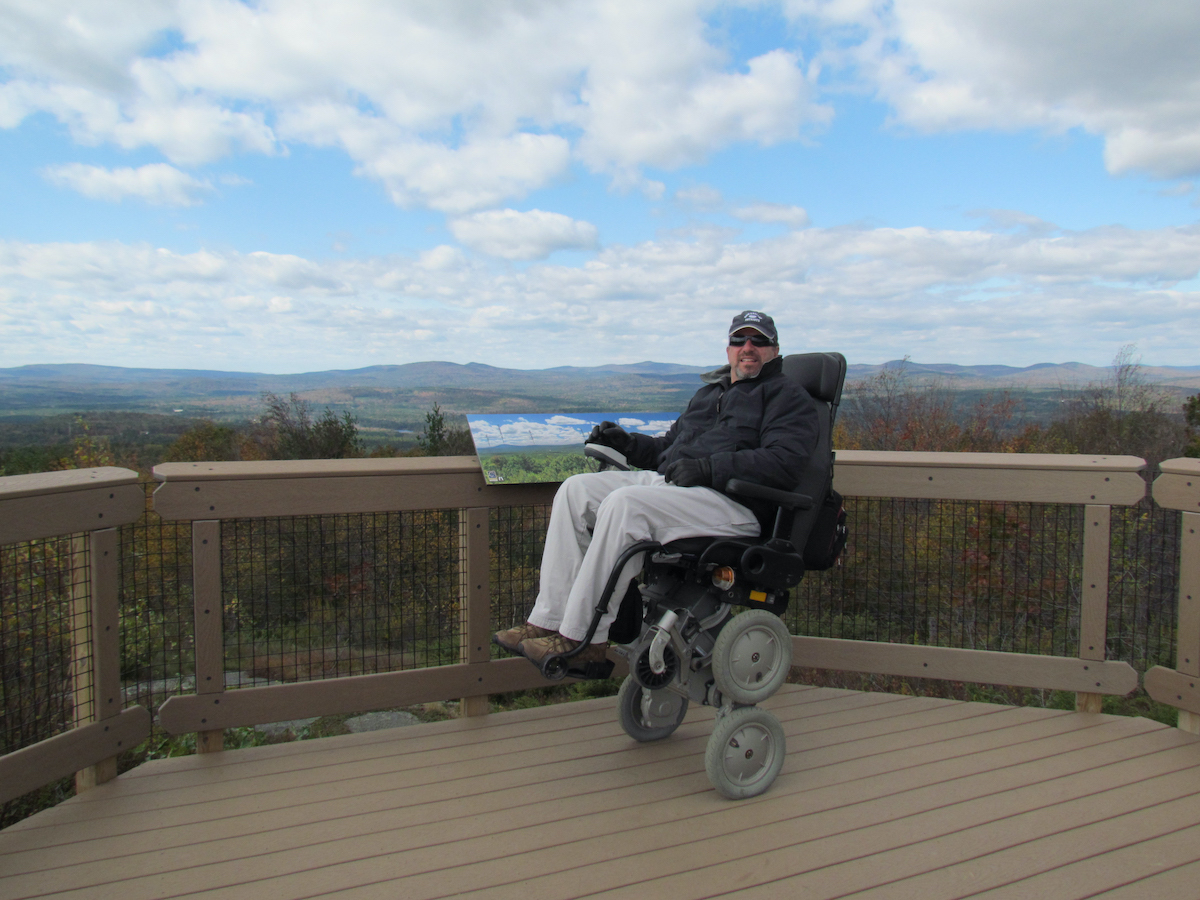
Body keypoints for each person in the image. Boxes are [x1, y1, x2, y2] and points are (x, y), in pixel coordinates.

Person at [494, 310, 820, 669]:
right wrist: (629, 444)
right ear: (728, 349)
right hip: (680, 490)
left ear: (774, 350)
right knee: (575, 490)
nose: (748, 347)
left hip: (734, 503)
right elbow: (670, 449)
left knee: (625, 504)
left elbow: (784, 463)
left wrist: (710, 468)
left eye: (758, 340)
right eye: (739, 340)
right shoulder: (710, 393)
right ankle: (548, 620)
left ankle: (583, 640)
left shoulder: (787, 397)